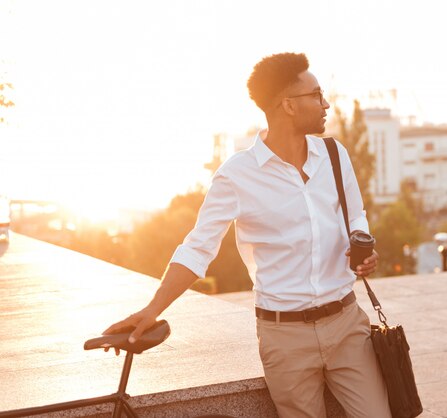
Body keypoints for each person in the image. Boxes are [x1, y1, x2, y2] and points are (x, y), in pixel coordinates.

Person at [104, 52, 391, 418]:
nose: (326, 103)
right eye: (317, 95)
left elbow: (356, 215)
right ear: (288, 105)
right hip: (284, 336)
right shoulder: (236, 175)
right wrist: (152, 309)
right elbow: (198, 248)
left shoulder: (334, 155)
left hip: (347, 323)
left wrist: (361, 244)